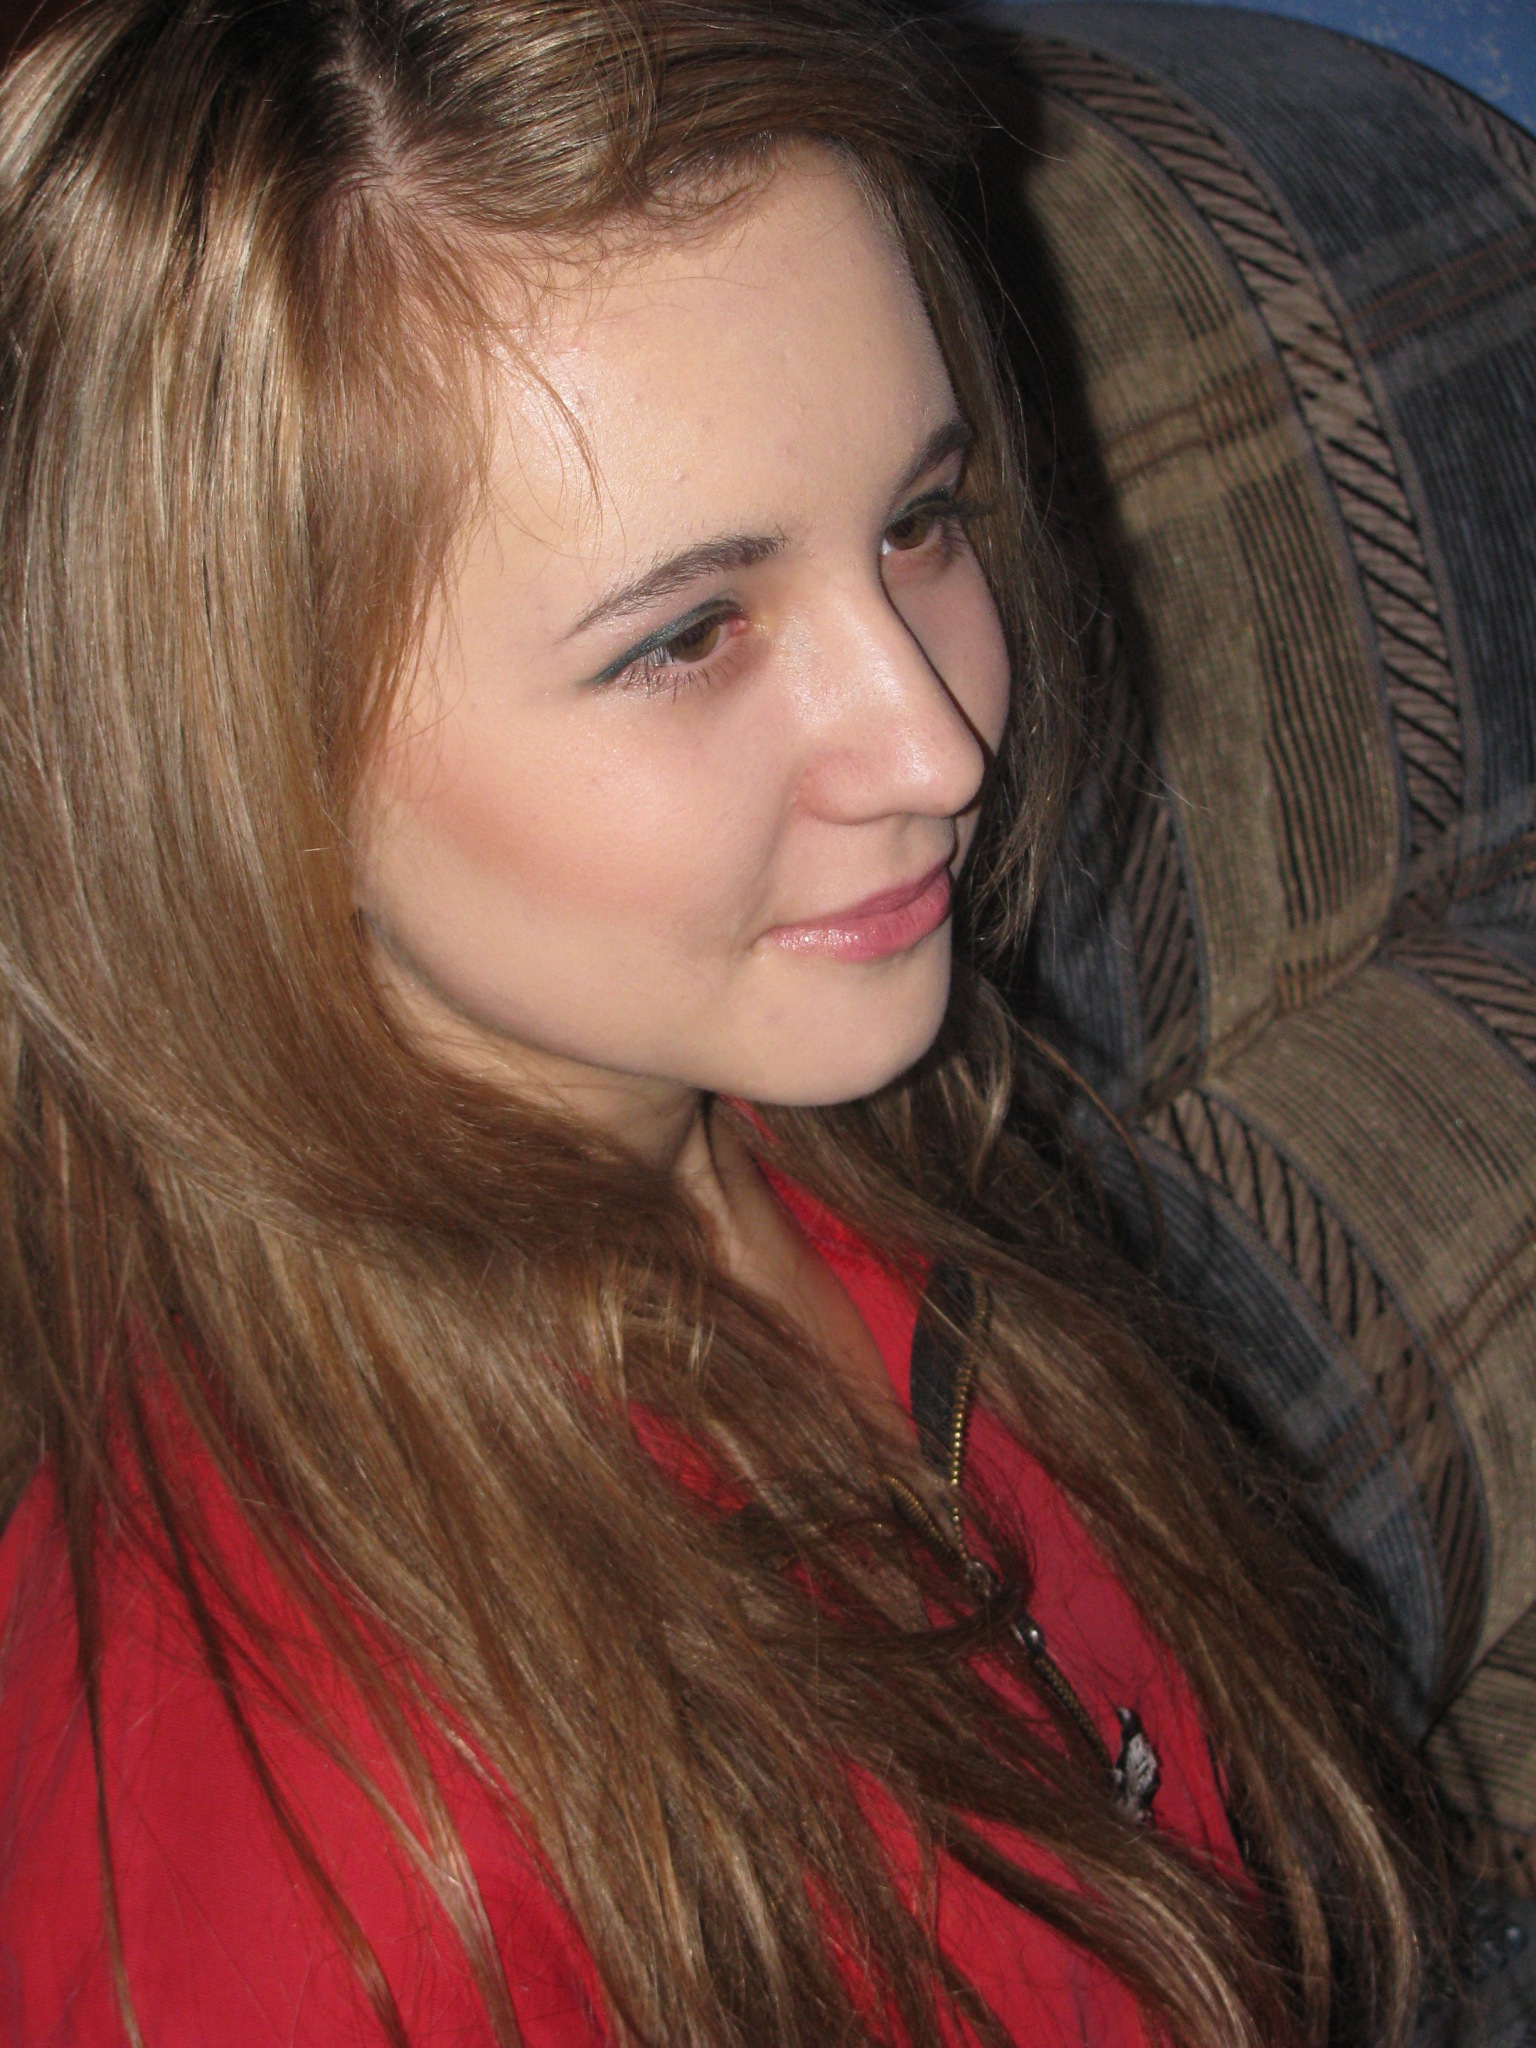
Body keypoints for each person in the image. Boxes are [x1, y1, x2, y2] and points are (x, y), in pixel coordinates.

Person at [0, 0, 1440, 2041]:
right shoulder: (319, 1890)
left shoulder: (785, 1112)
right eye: (689, 635)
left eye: (919, 520)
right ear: (227, 772)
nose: (935, 746)